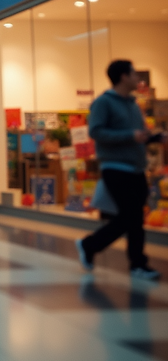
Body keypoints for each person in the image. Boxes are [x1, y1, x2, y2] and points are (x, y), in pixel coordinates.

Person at [77, 60, 161, 279]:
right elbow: (96, 132)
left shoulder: (133, 105)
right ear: (123, 76)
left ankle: (98, 248)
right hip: (115, 167)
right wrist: (130, 136)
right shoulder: (103, 103)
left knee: (133, 218)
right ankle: (132, 261)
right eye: (134, 74)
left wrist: (154, 137)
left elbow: (138, 134)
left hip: (136, 168)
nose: (138, 79)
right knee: (130, 216)